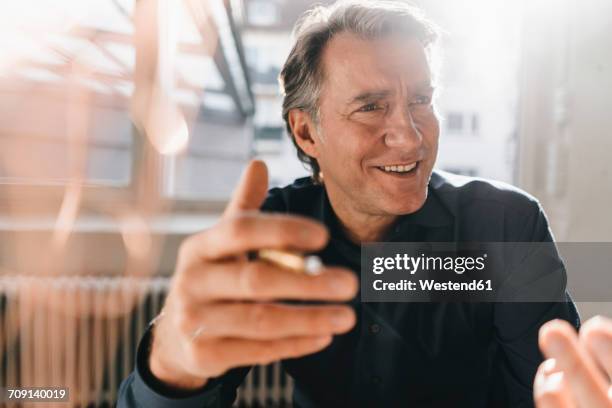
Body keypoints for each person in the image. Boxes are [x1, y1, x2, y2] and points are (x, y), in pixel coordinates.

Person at [117, 1, 602, 406]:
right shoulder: (273, 232)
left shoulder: (504, 225)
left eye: (421, 99)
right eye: (370, 107)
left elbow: (552, 393)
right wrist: (173, 364)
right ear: (306, 132)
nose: (410, 137)